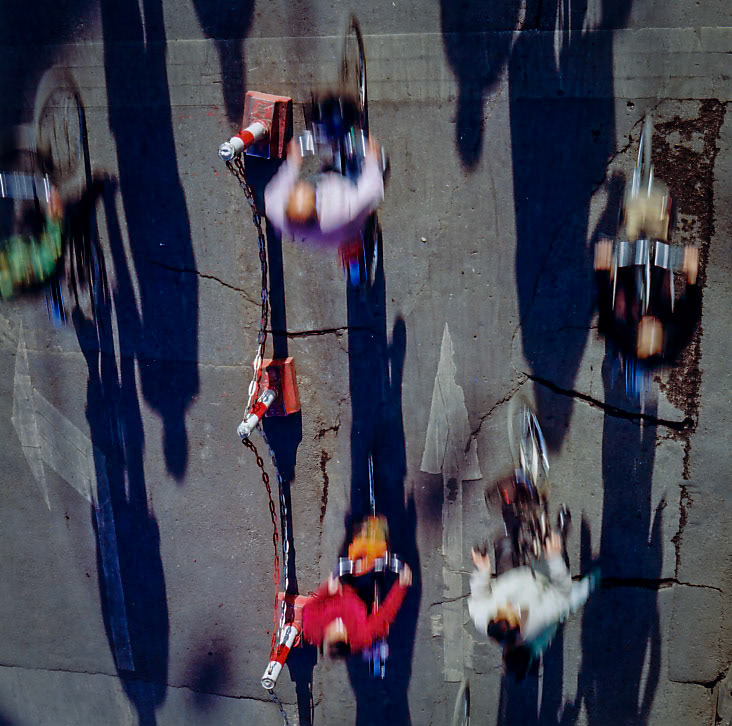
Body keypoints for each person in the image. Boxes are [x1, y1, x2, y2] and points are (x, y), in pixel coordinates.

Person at [469, 532, 597, 680]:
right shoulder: (539, 618)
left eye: (497, 612)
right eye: (509, 612)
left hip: (510, 580)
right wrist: (555, 559)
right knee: (554, 557)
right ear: (518, 628)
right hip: (539, 582)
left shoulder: (483, 619)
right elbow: (563, 594)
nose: (506, 605)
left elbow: (479, 597)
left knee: (504, 543)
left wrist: (482, 571)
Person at [264, 134, 384, 252]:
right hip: (347, 210)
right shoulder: (340, 211)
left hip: (329, 199)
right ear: (317, 207)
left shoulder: (274, 205)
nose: (302, 185)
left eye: (296, 188)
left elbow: (283, 182)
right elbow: (371, 189)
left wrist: (293, 162)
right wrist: (372, 159)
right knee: (379, 164)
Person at [594, 239, 700, 362]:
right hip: (662, 311)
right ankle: (661, 245)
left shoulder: (623, 338)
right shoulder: (677, 338)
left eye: (644, 325)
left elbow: (605, 317)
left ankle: (627, 254)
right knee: (661, 280)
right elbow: (692, 310)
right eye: (653, 323)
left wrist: (602, 273)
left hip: (630, 320)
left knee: (624, 288)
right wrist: (692, 277)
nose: (648, 320)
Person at [302, 562, 412, 659]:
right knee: (369, 567)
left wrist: (327, 590)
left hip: (340, 589)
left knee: (350, 557)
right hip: (360, 596)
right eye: (342, 631)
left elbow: (311, 606)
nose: (338, 625)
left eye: (333, 631)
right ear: (347, 639)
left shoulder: (311, 627)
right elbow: (385, 615)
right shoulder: (362, 637)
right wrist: (401, 587)